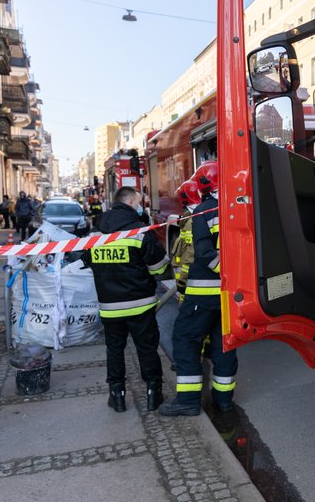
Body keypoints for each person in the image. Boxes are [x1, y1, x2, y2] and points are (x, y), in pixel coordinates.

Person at [160, 161, 238, 417]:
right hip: (230, 296)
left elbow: (204, 252)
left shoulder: (203, 211)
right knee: (224, 346)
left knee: (185, 342)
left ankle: (188, 401)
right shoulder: (238, 206)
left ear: (204, 185)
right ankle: (224, 401)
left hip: (202, 296)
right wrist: (233, 277)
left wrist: (221, 272)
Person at [84, 186, 170, 413]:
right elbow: (159, 268)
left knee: (114, 349)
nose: (141, 205)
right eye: (139, 201)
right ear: (131, 202)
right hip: (140, 304)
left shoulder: (95, 233)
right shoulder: (140, 231)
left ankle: (117, 396)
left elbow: (86, 260)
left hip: (109, 306)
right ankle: (154, 395)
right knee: (147, 349)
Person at [169, 180, 200, 302]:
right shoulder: (189, 218)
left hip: (186, 282)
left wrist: (182, 281)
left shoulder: (190, 221)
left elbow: (189, 255)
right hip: (185, 281)